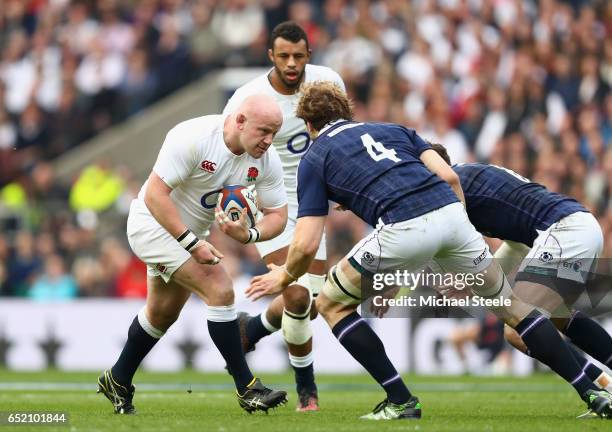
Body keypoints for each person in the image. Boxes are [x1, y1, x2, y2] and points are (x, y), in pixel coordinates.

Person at [246, 81, 612, 420]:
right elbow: (448, 182)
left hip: (542, 228)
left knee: (330, 303)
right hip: (461, 218)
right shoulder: (394, 130)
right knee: (518, 314)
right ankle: (591, 392)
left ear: (308, 124)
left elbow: (309, 241)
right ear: (347, 111)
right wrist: (461, 247)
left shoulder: (315, 157)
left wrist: (286, 273)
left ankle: (400, 399)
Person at [97, 94, 289, 415]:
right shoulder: (194, 137)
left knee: (161, 315)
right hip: (152, 224)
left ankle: (117, 378)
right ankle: (247, 387)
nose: (269, 141)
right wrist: (191, 243)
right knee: (221, 289)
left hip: (189, 236)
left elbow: (278, 216)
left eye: (274, 133)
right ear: (240, 121)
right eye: (263, 131)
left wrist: (249, 234)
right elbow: (157, 195)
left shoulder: (266, 160)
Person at [222, 21, 345, 411]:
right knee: (293, 292)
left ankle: (252, 328)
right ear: (271, 57)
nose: (292, 63)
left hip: (313, 201)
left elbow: (343, 134)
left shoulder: (327, 83)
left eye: (299, 56)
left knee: (307, 302)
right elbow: (229, 146)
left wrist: (346, 184)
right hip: (270, 200)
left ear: (309, 55)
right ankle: (307, 390)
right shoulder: (249, 96)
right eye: (284, 56)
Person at [431, 144, 612, 400]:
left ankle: (600, 390)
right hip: (580, 226)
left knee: (518, 328)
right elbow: (515, 244)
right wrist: (473, 282)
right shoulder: (473, 179)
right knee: (557, 317)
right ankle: (604, 382)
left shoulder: (457, 189)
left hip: (565, 232)